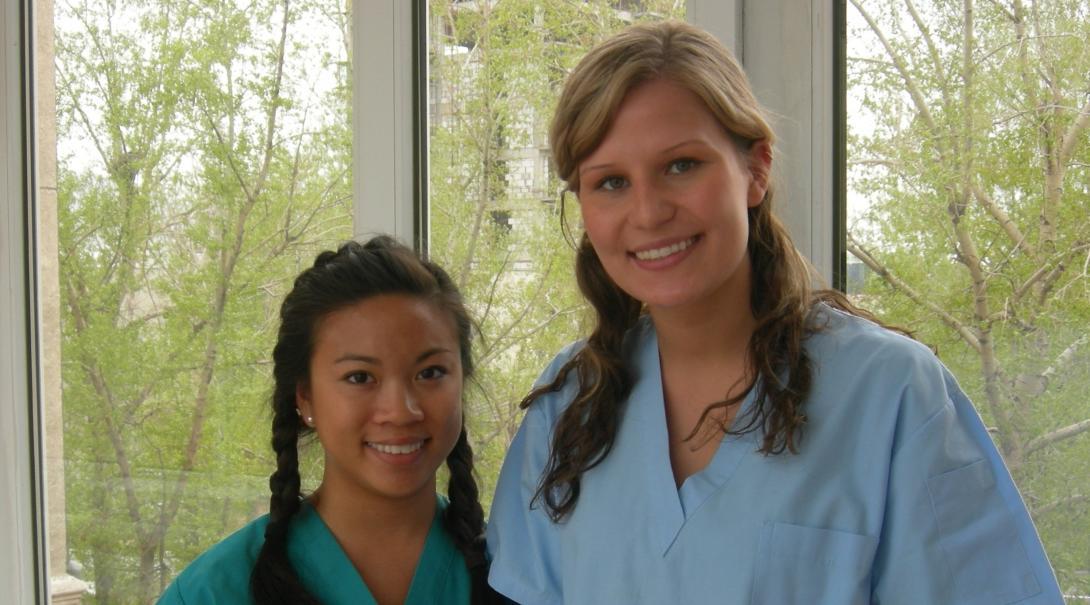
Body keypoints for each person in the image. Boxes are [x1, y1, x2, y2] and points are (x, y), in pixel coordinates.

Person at [485, 20, 1064, 605]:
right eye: (610, 182)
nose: (649, 211)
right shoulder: (567, 411)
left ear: (756, 169)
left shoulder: (889, 395)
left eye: (681, 165)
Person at [159, 236, 504, 605]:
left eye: (431, 372)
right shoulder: (214, 592)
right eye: (360, 377)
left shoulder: (513, 577)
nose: (402, 410)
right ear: (304, 396)